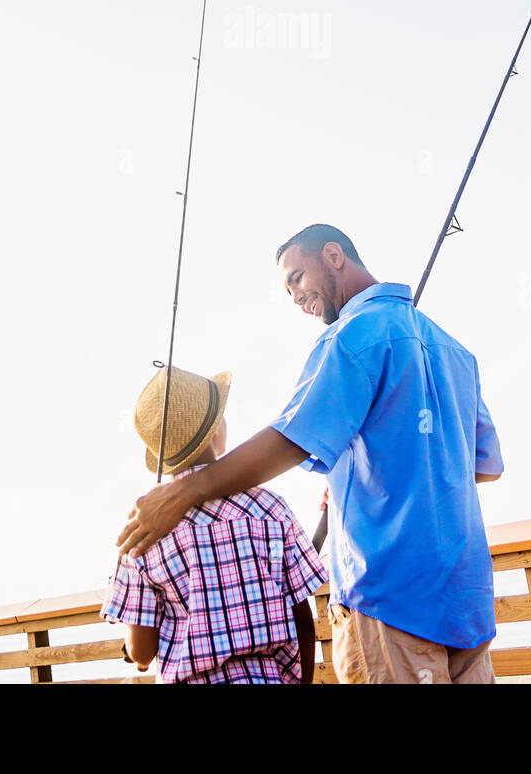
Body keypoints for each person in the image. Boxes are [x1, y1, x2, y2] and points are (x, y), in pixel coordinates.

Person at [118, 226, 504, 684]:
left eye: (297, 278)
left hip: (387, 600)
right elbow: (482, 467)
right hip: (466, 601)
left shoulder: (350, 338)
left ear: (334, 255)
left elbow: (289, 440)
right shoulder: (454, 350)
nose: (297, 297)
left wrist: (183, 492)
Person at [100, 363, 327, 684]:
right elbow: (302, 618)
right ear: (215, 429)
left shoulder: (144, 529)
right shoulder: (271, 508)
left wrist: (130, 645)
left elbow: (142, 651)